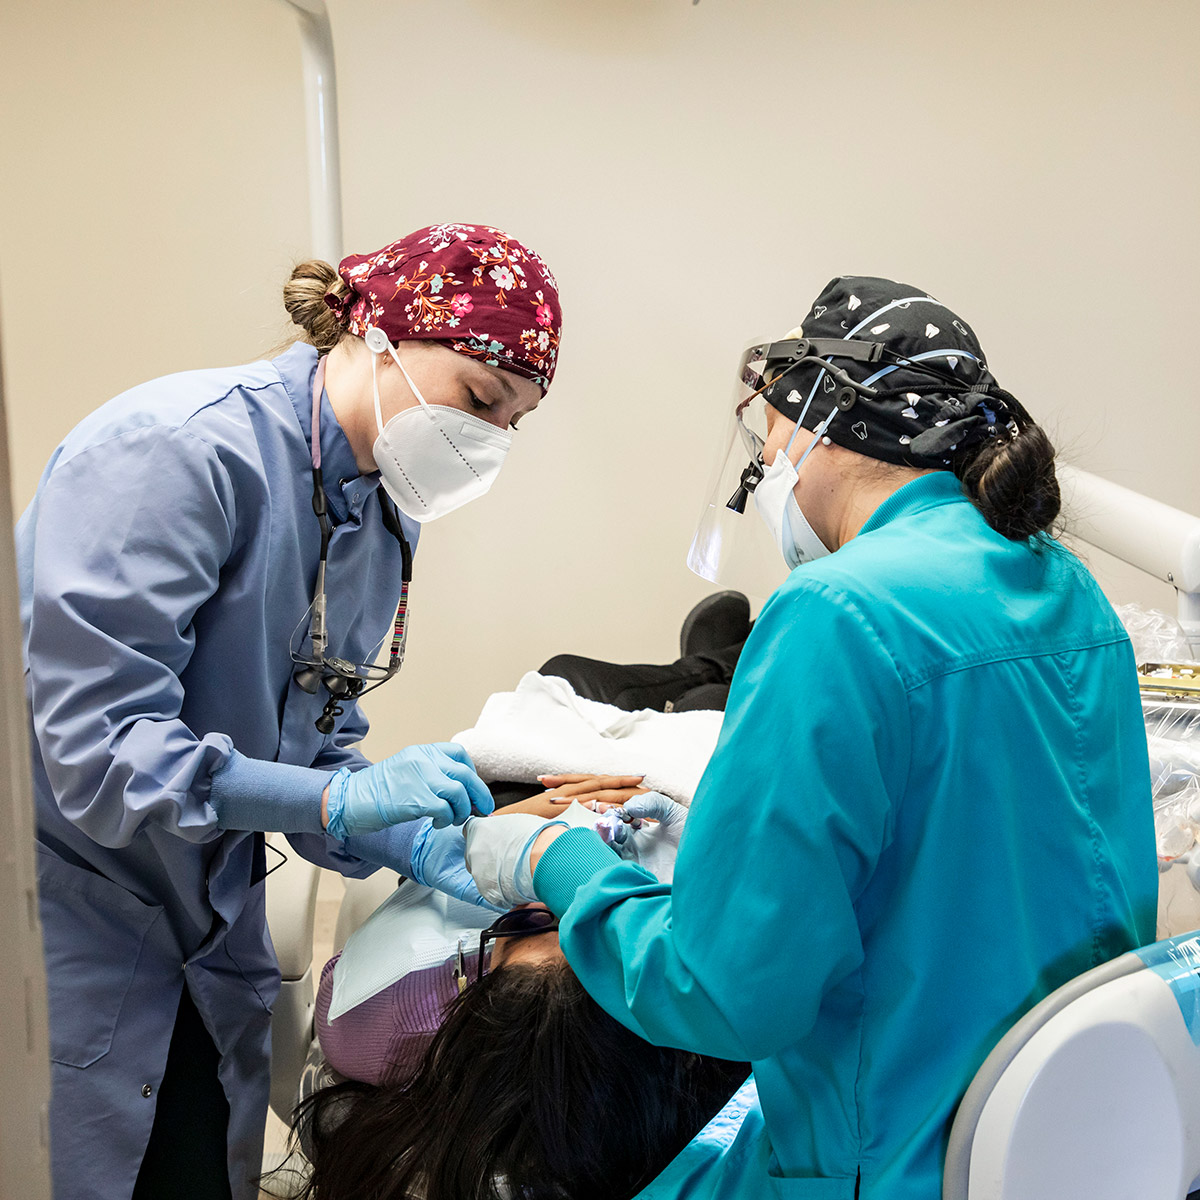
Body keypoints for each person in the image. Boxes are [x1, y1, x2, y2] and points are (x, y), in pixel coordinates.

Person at [464, 276, 1159, 1199]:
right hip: (1073, 1136)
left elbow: (722, 992)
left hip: (898, 1157)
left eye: (773, 433)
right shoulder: (1066, 587)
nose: (769, 462)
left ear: (822, 419)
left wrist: (556, 861)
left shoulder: (836, 610)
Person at [17, 222, 561, 1200]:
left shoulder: (376, 513)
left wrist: (417, 837)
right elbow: (99, 753)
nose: (487, 440)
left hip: (199, 936)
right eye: (479, 401)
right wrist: (330, 805)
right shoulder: (176, 455)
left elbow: (318, 741)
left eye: (512, 422)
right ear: (376, 331)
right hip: (72, 928)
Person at [289, 783, 733, 1200]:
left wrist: (506, 822)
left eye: (526, 924)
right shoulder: (711, 1041)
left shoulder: (397, 1026)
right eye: (596, 933)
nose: (544, 900)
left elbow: (346, 987)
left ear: (474, 986)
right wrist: (705, 843)